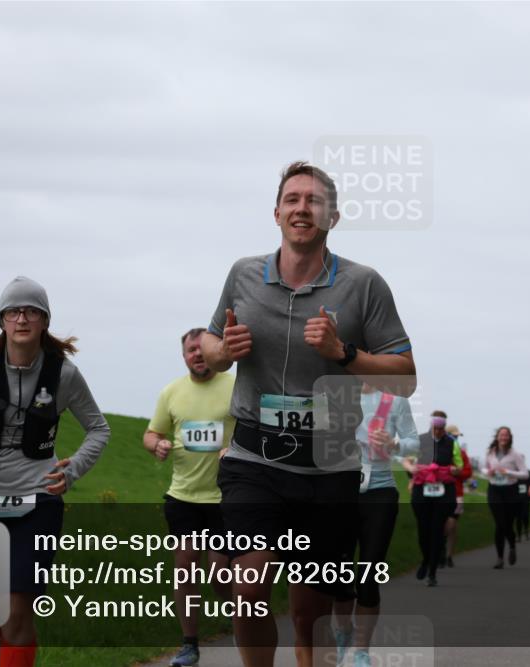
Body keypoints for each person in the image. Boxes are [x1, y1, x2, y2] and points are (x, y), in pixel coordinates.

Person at [200, 161, 415, 667]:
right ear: (276, 212)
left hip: (327, 468)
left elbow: (405, 376)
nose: (302, 208)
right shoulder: (243, 274)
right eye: (293, 199)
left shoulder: (364, 285)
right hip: (255, 457)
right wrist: (221, 353)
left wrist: (345, 354)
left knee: (307, 614)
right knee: (248, 588)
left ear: (332, 217)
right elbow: (209, 345)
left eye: (314, 201)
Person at [0, 277, 110, 667]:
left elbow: (99, 428)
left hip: (37, 499)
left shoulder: (63, 375)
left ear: (44, 321)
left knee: (18, 611)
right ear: (1, 320)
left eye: (32, 311)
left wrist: (73, 470)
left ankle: (11, 648)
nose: (22, 318)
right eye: (13, 311)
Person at [143, 328, 236, 666]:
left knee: (220, 573)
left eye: (202, 349)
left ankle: (241, 619)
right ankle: (189, 643)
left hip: (227, 497)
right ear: (184, 356)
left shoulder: (236, 386)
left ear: (215, 351)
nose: (197, 354)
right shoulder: (172, 392)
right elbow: (152, 433)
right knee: (185, 569)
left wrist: (235, 449)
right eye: (190, 350)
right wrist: (158, 444)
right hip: (184, 496)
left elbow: (258, 429)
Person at [332, 382, 419, 667]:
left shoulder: (393, 402)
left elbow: (413, 442)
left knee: (368, 573)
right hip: (342, 491)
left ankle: (361, 650)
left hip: (380, 491)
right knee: (340, 574)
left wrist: (394, 443)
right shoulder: (333, 398)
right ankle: (343, 630)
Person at [407, 410, 461, 586]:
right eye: (435, 427)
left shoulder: (452, 443)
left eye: (441, 428)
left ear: (444, 426)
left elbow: (459, 465)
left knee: (437, 530)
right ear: (431, 425)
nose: (437, 431)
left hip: (444, 491)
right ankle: (426, 560)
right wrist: (411, 468)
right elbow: (407, 459)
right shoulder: (420, 440)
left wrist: (455, 469)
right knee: (423, 530)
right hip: (422, 489)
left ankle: (432, 572)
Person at [485, 426, 529, 568]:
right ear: (497, 436)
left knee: (507, 523)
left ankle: (512, 545)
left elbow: (525, 474)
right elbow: (483, 467)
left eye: (506, 435)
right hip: (494, 490)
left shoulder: (514, 455)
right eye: (501, 435)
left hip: (510, 490)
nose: (503, 437)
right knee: (499, 523)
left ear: (510, 438)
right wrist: (488, 472)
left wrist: (508, 472)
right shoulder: (490, 452)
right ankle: (499, 558)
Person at [441, 424, 472, 568]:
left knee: (452, 524)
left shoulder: (461, 452)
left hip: (457, 493)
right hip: (439, 492)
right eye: (453, 435)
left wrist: (457, 472)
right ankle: (440, 550)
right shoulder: (438, 450)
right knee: (440, 524)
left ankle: (449, 555)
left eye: (457, 436)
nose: (455, 438)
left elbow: (468, 472)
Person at [514, 469, 530, 542]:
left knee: (525, 515)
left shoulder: (528, 472)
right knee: (518, 517)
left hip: (526, 497)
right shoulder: (513, 472)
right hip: (516, 497)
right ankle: (519, 536)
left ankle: (526, 531)